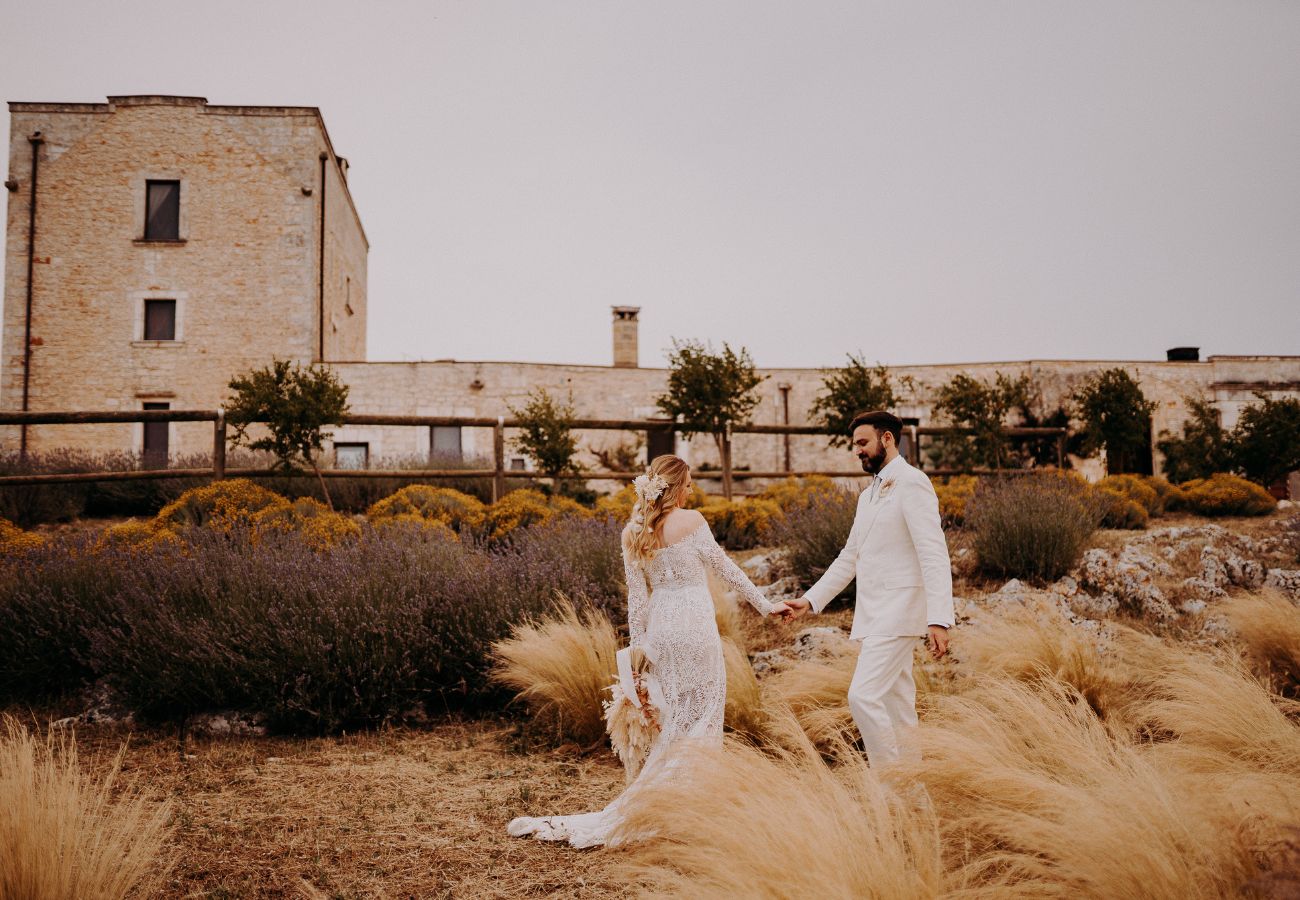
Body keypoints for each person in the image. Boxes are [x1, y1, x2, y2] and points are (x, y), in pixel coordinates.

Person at [507, 454, 791, 848]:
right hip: (695, 625)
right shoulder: (692, 522)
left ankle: (664, 802)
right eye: (689, 484)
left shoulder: (632, 532)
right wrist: (766, 605)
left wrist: (639, 652)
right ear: (675, 487)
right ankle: (691, 808)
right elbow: (727, 570)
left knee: (671, 720)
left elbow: (637, 602)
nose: (693, 490)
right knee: (704, 715)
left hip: (661, 629)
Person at [783, 409, 954, 767]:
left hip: (901, 611)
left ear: (887, 439)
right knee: (898, 709)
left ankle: (890, 786)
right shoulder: (867, 496)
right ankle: (914, 800)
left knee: (862, 696)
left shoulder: (913, 481)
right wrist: (810, 600)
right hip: (875, 614)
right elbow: (850, 557)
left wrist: (939, 617)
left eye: (863, 443)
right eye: (855, 444)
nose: (857, 450)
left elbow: (933, 552)